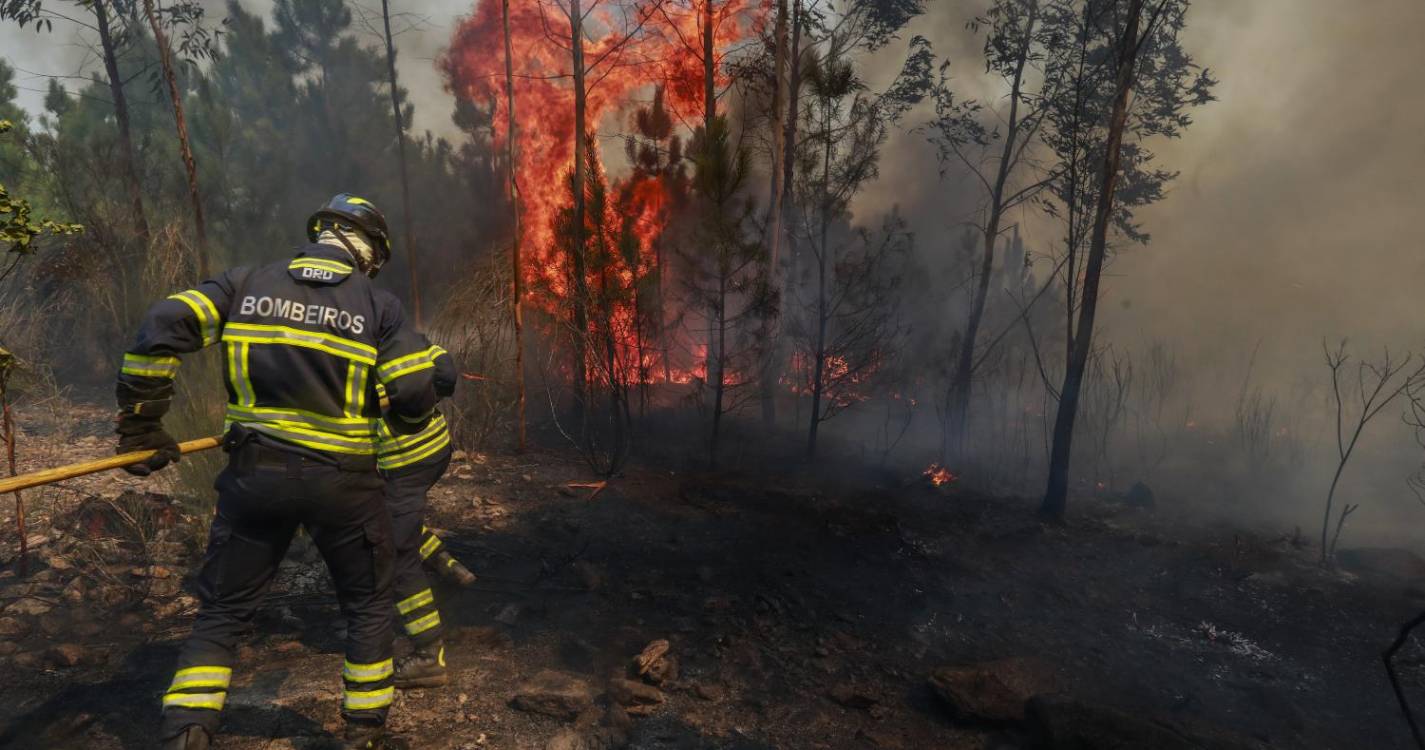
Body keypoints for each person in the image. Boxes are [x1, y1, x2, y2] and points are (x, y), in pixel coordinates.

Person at [117, 194, 438, 750]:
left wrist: (143, 426)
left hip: (254, 476)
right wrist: (403, 411)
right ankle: (363, 732)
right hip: (344, 485)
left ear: (322, 233)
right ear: (368, 251)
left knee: (222, 610)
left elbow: (164, 322)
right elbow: (413, 390)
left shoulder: (246, 284)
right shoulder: (376, 305)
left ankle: (186, 731)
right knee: (366, 603)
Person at [373, 334, 468, 689]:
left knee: (397, 554)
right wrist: (427, 401)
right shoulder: (405, 335)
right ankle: (444, 560)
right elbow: (445, 371)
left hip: (404, 465)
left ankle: (430, 655)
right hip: (437, 450)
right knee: (388, 518)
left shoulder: (357, 354)